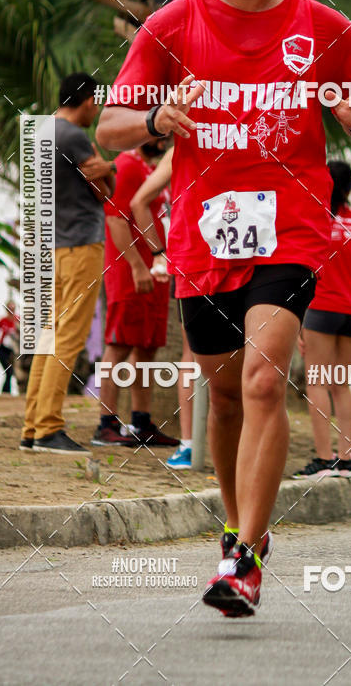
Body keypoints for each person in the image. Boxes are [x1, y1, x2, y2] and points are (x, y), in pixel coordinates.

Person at [96, 0, 351, 617]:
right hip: (204, 236)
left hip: (292, 229)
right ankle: (235, 527)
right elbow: (110, 127)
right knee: (224, 398)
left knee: (262, 382)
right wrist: (157, 119)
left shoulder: (325, 28)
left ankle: (245, 560)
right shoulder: (172, 25)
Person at [21, 72, 115, 454]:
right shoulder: (75, 136)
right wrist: (110, 167)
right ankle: (48, 428)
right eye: (96, 102)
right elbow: (102, 191)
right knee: (69, 337)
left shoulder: (40, 132)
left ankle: (33, 427)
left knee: (48, 336)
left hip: (52, 247)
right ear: (88, 100)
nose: (97, 110)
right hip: (81, 245)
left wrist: (103, 168)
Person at [92, 138, 179, 448]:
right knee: (119, 344)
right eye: (158, 132)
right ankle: (106, 423)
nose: (164, 139)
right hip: (130, 271)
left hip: (155, 269)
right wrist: (137, 266)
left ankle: (141, 423)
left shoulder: (151, 169)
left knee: (147, 346)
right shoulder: (127, 165)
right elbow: (115, 219)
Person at [293, 160, 351, 480]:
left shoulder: (315, 222)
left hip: (322, 310)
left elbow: (305, 274)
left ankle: (324, 460)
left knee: (317, 383)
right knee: (341, 383)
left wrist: (298, 324)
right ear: (350, 187)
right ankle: (346, 459)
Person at [129, 147, 195, 468]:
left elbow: (139, 202)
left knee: (195, 355)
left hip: (232, 261)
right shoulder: (180, 148)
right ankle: (191, 443)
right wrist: (159, 253)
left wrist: (159, 253)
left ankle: (194, 443)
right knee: (193, 354)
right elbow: (138, 203)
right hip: (194, 262)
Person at [0, 301, 19, 394]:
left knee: (12, 372)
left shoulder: (18, 319)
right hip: (3, 350)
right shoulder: (2, 320)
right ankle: (6, 392)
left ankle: (6, 392)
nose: (11, 311)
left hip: (13, 351)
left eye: (13, 309)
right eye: (9, 309)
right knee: (8, 371)